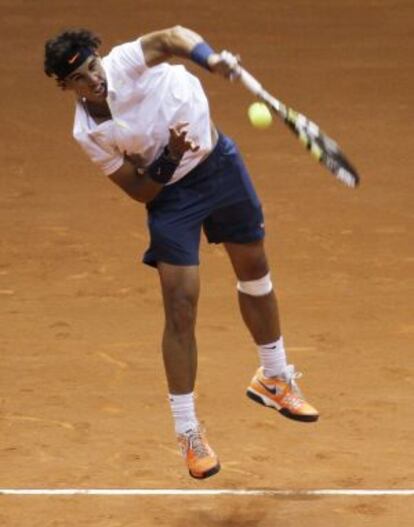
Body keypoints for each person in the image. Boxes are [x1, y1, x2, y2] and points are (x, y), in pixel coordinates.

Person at [43, 25, 319, 480]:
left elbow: (172, 37)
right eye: (79, 80)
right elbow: (139, 189)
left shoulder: (127, 60)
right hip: (171, 197)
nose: (93, 80)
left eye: (92, 67)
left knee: (255, 271)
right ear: (65, 86)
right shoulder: (87, 132)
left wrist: (211, 59)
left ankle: (274, 377)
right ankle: (188, 432)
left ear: (98, 57)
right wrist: (169, 155)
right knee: (180, 304)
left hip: (219, 165)